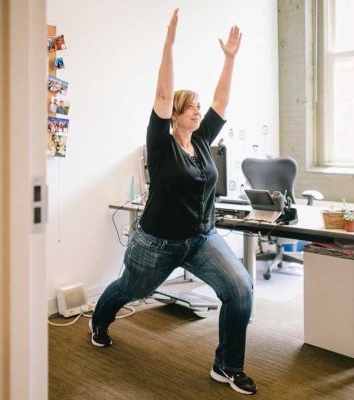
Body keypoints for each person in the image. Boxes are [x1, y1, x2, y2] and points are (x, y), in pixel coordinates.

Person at [90, 9, 256, 395]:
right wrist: (169, 44)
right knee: (130, 290)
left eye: (199, 106)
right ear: (176, 115)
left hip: (201, 239)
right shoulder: (161, 144)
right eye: (191, 106)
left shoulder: (202, 139)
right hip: (157, 243)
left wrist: (230, 59)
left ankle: (227, 366)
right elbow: (163, 94)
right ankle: (99, 321)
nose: (199, 110)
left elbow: (221, 99)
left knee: (240, 289)